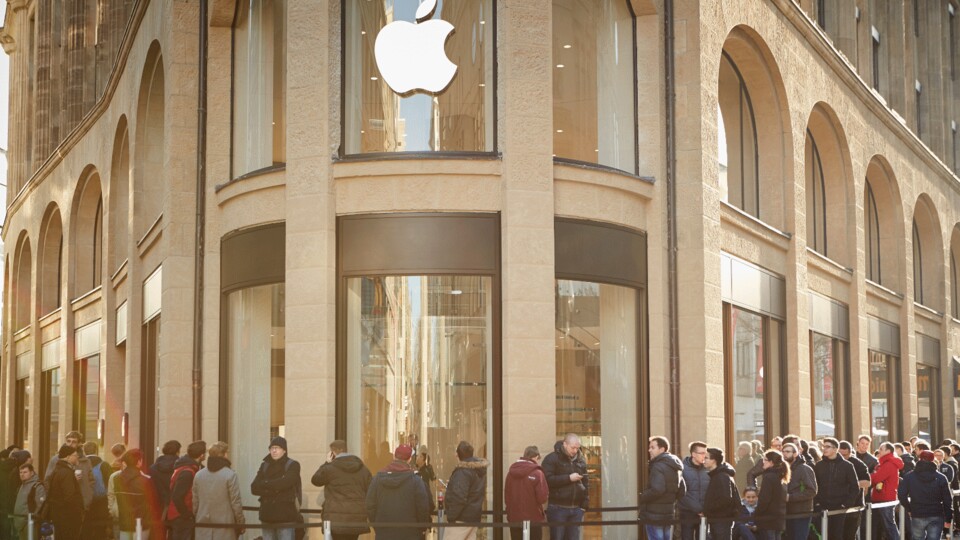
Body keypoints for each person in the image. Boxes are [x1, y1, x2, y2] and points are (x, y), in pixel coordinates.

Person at [365, 444, 431, 540]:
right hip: (410, 533)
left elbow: (370, 505)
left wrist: (377, 524)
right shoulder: (416, 481)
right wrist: (421, 528)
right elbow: (422, 507)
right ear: (409, 459)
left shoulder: (377, 479)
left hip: (384, 533)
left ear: (394, 457)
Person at [311, 439, 372, 540]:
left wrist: (326, 462)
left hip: (335, 519)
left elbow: (315, 480)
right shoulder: (363, 469)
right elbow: (370, 489)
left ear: (332, 453)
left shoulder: (329, 468)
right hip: (355, 517)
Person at [251, 437, 301, 540]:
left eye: (277, 448)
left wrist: (264, 484)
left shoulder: (293, 465)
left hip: (285, 516)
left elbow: (285, 483)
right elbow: (254, 488)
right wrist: (276, 488)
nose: (274, 450)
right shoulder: (264, 465)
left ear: (284, 450)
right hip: (267, 515)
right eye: (272, 448)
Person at [541, 433, 589, 540]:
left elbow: (586, 482)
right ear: (565, 444)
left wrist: (585, 502)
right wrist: (569, 478)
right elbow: (547, 481)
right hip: (558, 508)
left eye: (577, 448)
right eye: (573, 447)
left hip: (577, 509)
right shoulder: (551, 458)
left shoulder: (581, 460)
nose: (575, 451)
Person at [193, 441, 244, 540]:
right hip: (225, 526)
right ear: (224, 455)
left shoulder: (199, 475)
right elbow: (235, 502)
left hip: (203, 525)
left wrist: (196, 516)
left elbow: (195, 502)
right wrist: (240, 522)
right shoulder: (230, 475)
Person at [898, 450, 952, 540]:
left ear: (919, 459)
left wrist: (909, 509)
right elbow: (947, 499)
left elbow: (902, 495)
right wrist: (948, 518)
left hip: (917, 512)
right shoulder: (941, 477)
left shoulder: (909, 476)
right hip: (936, 513)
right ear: (933, 460)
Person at [638, 436, 684, 540]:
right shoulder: (675, 466)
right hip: (669, 513)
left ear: (662, 449)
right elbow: (682, 491)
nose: (649, 450)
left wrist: (643, 496)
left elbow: (658, 489)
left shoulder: (658, 466)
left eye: (652, 447)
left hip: (654, 514)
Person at [814, 437, 860, 540]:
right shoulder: (818, 465)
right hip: (822, 506)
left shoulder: (847, 466)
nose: (824, 449)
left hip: (839, 507)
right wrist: (816, 503)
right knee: (822, 534)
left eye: (827, 447)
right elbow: (815, 485)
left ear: (835, 449)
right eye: (823, 446)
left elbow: (855, 487)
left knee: (837, 534)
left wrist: (846, 504)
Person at [443, 441, 488, 540]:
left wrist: (451, 516)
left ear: (457, 455)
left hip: (461, 519)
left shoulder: (463, 472)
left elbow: (459, 497)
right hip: (473, 517)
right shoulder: (478, 470)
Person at [112, 449, 161, 540]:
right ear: (139, 462)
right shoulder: (145, 481)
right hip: (141, 523)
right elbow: (153, 501)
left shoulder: (116, 479)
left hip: (124, 522)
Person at [504, 446, 549, 540]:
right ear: (536, 457)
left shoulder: (510, 473)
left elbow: (507, 496)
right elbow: (542, 498)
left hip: (514, 517)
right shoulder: (537, 473)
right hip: (533, 517)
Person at [167, 440, 206, 540]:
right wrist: (187, 515)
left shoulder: (184, 468)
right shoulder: (188, 472)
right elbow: (177, 496)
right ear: (201, 455)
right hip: (181, 517)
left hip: (177, 515)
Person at [46, 444, 85, 540]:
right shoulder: (66, 472)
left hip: (59, 515)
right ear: (68, 457)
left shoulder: (57, 470)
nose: (77, 458)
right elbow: (69, 496)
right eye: (75, 455)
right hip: (68, 516)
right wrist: (79, 512)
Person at [703, 448, 740, 540]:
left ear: (714, 460)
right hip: (718, 518)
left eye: (706, 458)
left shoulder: (721, 476)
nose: (704, 460)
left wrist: (708, 510)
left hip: (721, 518)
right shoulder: (717, 475)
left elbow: (725, 499)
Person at [783, 443, 817, 540]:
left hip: (802, 512)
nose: (785, 454)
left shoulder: (804, 469)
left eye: (788, 452)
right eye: (783, 452)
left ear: (795, 454)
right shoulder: (783, 469)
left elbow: (812, 491)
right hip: (787, 511)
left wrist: (790, 497)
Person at [870, 442, 903, 540]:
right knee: (883, 525)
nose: (878, 451)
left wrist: (867, 476)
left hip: (885, 498)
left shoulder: (889, 464)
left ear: (888, 451)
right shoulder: (885, 462)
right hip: (882, 497)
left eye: (881, 449)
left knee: (889, 525)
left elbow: (877, 478)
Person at [838, 440, 870, 540]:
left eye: (845, 455)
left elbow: (867, 482)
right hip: (837, 504)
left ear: (851, 452)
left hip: (855, 505)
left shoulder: (858, 464)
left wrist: (851, 484)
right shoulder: (833, 462)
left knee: (849, 534)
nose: (843, 457)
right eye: (840, 455)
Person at [754, 450, 789, 540]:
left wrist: (757, 513)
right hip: (778, 519)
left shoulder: (769, 477)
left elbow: (764, 499)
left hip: (768, 520)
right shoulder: (781, 476)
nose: (763, 462)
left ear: (771, 462)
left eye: (765, 460)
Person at [81, 441, 112, 540]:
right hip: (102, 503)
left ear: (84, 452)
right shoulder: (104, 465)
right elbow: (110, 485)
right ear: (97, 450)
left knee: (86, 530)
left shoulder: (80, 465)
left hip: (85, 503)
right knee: (100, 531)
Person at [679, 441, 710, 540]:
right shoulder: (682, 469)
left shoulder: (708, 469)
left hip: (704, 513)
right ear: (693, 454)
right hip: (687, 512)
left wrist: (704, 509)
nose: (704, 456)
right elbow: (681, 493)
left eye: (706, 453)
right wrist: (698, 509)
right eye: (702, 453)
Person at [13, 464, 44, 540]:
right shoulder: (22, 485)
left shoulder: (37, 486)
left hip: (29, 522)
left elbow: (40, 504)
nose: (22, 475)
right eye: (21, 472)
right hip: (19, 521)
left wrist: (32, 518)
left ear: (32, 473)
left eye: (25, 472)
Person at [150, 440, 181, 512]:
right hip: (176, 508)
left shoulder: (153, 468)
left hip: (157, 506)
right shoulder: (180, 467)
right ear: (177, 452)